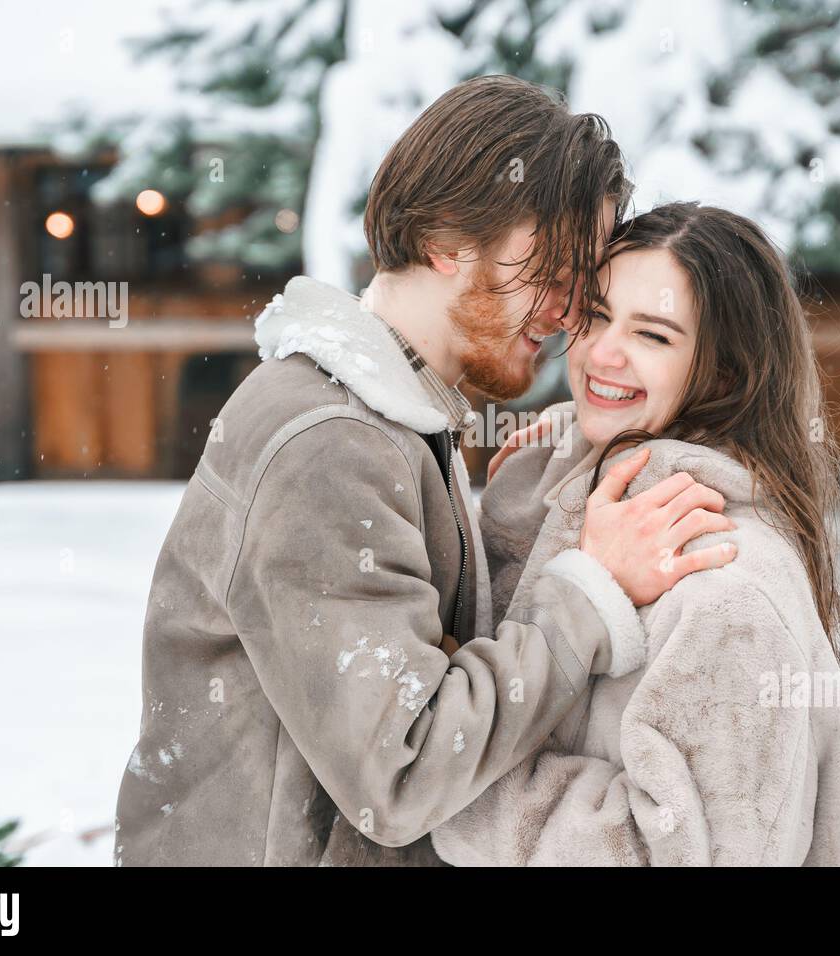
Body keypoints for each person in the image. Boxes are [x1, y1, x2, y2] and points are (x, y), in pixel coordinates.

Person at [113, 78, 736, 866]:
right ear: (447, 241)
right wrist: (587, 597)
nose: (572, 307)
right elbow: (399, 769)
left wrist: (584, 440)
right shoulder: (330, 446)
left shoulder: (385, 419)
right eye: (556, 266)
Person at [431, 202, 840, 866]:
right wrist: (574, 446)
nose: (601, 353)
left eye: (654, 335)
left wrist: (453, 770)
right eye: (598, 315)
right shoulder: (563, 504)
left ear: (722, 377)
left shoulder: (724, 593)